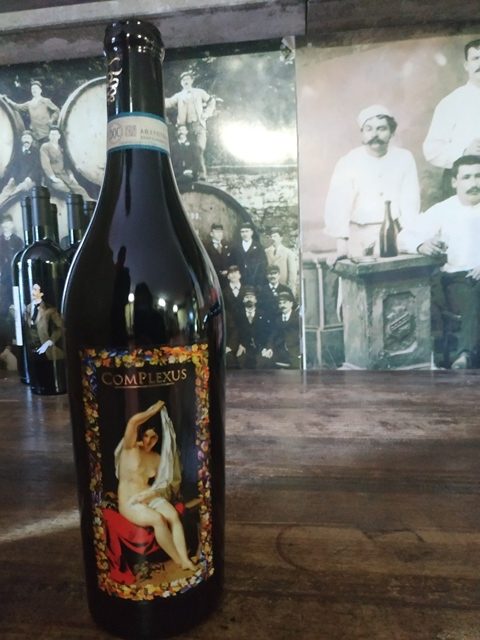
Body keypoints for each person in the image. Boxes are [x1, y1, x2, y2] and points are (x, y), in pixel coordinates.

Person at [398, 155, 480, 369]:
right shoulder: (443, 210)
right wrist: (421, 245)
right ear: (454, 182)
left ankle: (466, 353)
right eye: (467, 177)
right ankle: (466, 354)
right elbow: (403, 237)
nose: (474, 183)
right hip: (456, 280)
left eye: (478, 176)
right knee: (475, 294)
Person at [324, 104, 420, 259]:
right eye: (369, 129)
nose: (375, 134)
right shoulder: (348, 161)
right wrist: (342, 247)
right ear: (362, 133)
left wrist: (411, 240)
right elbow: (338, 205)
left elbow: (410, 202)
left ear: (392, 133)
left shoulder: (404, 158)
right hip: (358, 236)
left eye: (382, 129)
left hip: (395, 235)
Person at [115, 400, 196, 571]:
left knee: (173, 516)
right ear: (141, 434)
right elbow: (133, 422)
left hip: (148, 496)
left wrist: (149, 494)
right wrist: (153, 411)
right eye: (146, 436)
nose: (149, 441)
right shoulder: (129, 449)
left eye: (154, 437)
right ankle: (178, 560)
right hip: (130, 502)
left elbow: (161, 485)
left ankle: (185, 559)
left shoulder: (157, 458)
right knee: (158, 520)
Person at [423, 40, 480, 186]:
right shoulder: (452, 102)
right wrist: (465, 152)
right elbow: (432, 150)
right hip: (462, 182)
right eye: (476, 58)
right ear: (466, 65)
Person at [165, 71, 216, 181]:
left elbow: (212, 101)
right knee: (188, 150)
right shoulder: (179, 96)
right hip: (185, 128)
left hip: (199, 125)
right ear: (181, 83)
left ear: (192, 80)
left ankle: (201, 175)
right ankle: (191, 175)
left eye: (188, 79)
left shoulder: (199, 92)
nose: (186, 81)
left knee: (200, 148)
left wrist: (206, 113)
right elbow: (168, 102)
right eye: (183, 80)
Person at [40, 126, 90, 199]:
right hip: (52, 175)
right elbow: (45, 164)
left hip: (64, 174)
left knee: (79, 189)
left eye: (55, 134)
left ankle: (89, 202)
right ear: (49, 136)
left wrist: (70, 175)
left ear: (59, 136)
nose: (54, 136)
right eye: (52, 134)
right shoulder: (45, 147)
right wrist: (52, 177)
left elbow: (66, 164)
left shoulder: (61, 147)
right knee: (66, 190)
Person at [24, 282, 64, 360]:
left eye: (35, 289)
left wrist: (49, 342)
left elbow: (61, 327)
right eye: (32, 289)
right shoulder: (26, 309)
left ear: (41, 293)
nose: (32, 292)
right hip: (29, 354)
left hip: (45, 352)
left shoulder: (49, 309)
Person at [230, 221, 268, 287]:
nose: (244, 234)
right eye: (242, 232)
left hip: (255, 281)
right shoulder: (235, 247)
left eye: (247, 231)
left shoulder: (258, 247)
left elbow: (263, 265)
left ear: (251, 232)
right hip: (239, 281)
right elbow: (232, 263)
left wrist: (259, 282)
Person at [0, 214, 23, 317]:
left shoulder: (18, 241)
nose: (6, 225)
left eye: (8, 222)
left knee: (16, 295)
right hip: (3, 275)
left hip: (15, 274)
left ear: (12, 224)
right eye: (4, 223)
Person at [271, 290, 301, 368]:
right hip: (280, 353)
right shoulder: (277, 319)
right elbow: (273, 336)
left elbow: (301, 337)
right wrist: (270, 348)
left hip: (295, 352)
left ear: (291, 303)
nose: (282, 305)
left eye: (284, 302)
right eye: (280, 303)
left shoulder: (298, 318)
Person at [265, 227, 298, 293]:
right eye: (271, 237)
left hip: (283, 289)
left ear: (281, 238)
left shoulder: (288, 253)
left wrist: (290, 291)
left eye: (275, 236)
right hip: (268, 289)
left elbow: (292, 275)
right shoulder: (266, 252)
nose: (273, 238)